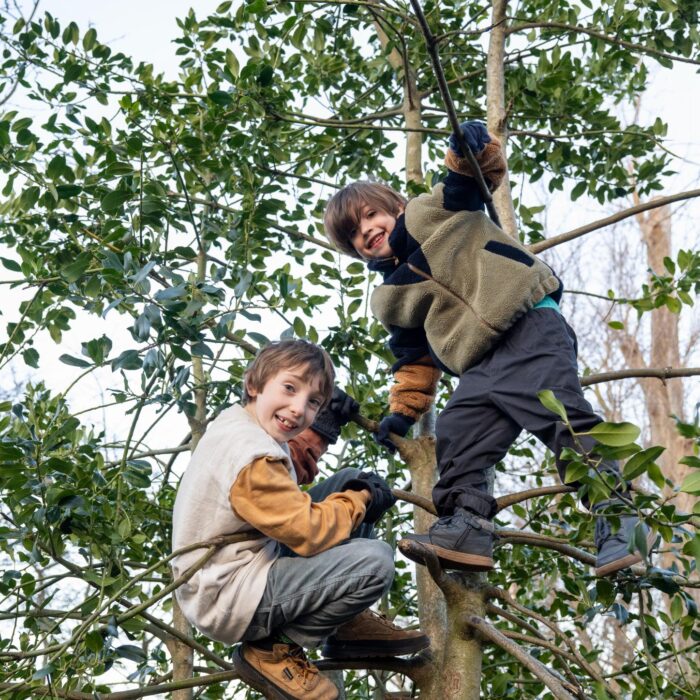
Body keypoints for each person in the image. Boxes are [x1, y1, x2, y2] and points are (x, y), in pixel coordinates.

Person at [323, 122, 653, 577]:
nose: (367, 231)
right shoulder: (389, 298)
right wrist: (402, 412)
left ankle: (617, 516)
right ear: (355, 252)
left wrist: (472, 150)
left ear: (395, 207)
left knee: (559, 419)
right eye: (355, 235)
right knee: (458, 436)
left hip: (527, 325)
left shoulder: (427, 213)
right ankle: (467, 527)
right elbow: (414, 361)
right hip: (478, 365)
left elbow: (471, 181)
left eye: (370, 216)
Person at [171, 339, 429, 700]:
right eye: (289, 389)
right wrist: (361, 499)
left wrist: (338, 459)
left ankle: (342, 624)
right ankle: (273, 648)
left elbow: (288, 481)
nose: (297, 409)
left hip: (246, 567)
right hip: (230, 597)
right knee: (374, 561)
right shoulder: (252, 458)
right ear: (254, 384)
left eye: (313, 402)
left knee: (349, 480)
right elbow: (305, 531)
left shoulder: (242, 423)